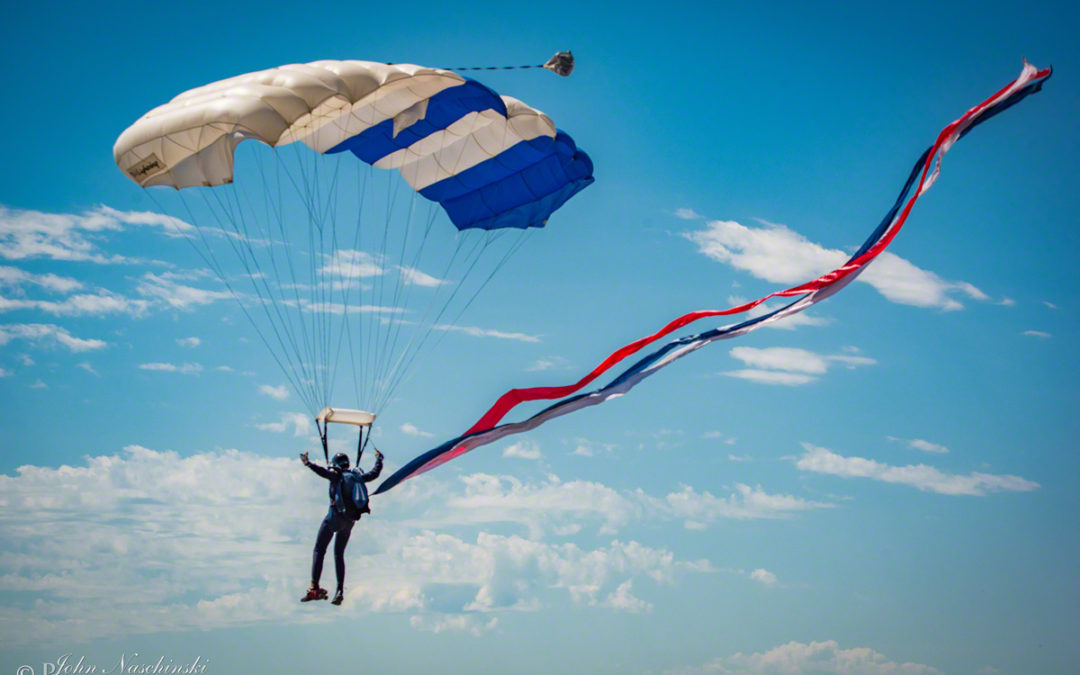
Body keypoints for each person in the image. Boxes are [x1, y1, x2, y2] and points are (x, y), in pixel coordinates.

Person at [299, 448, 383, 605]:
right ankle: (339, 591)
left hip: (334, 519)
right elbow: (374, 473)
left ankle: (314, 587)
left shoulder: (336, 476)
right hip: (349, 522)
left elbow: (323, 472)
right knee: (338, 554)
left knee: (319, 549)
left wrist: (308, 463)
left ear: (336, 465)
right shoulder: (357, 477)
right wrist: (379, 460)